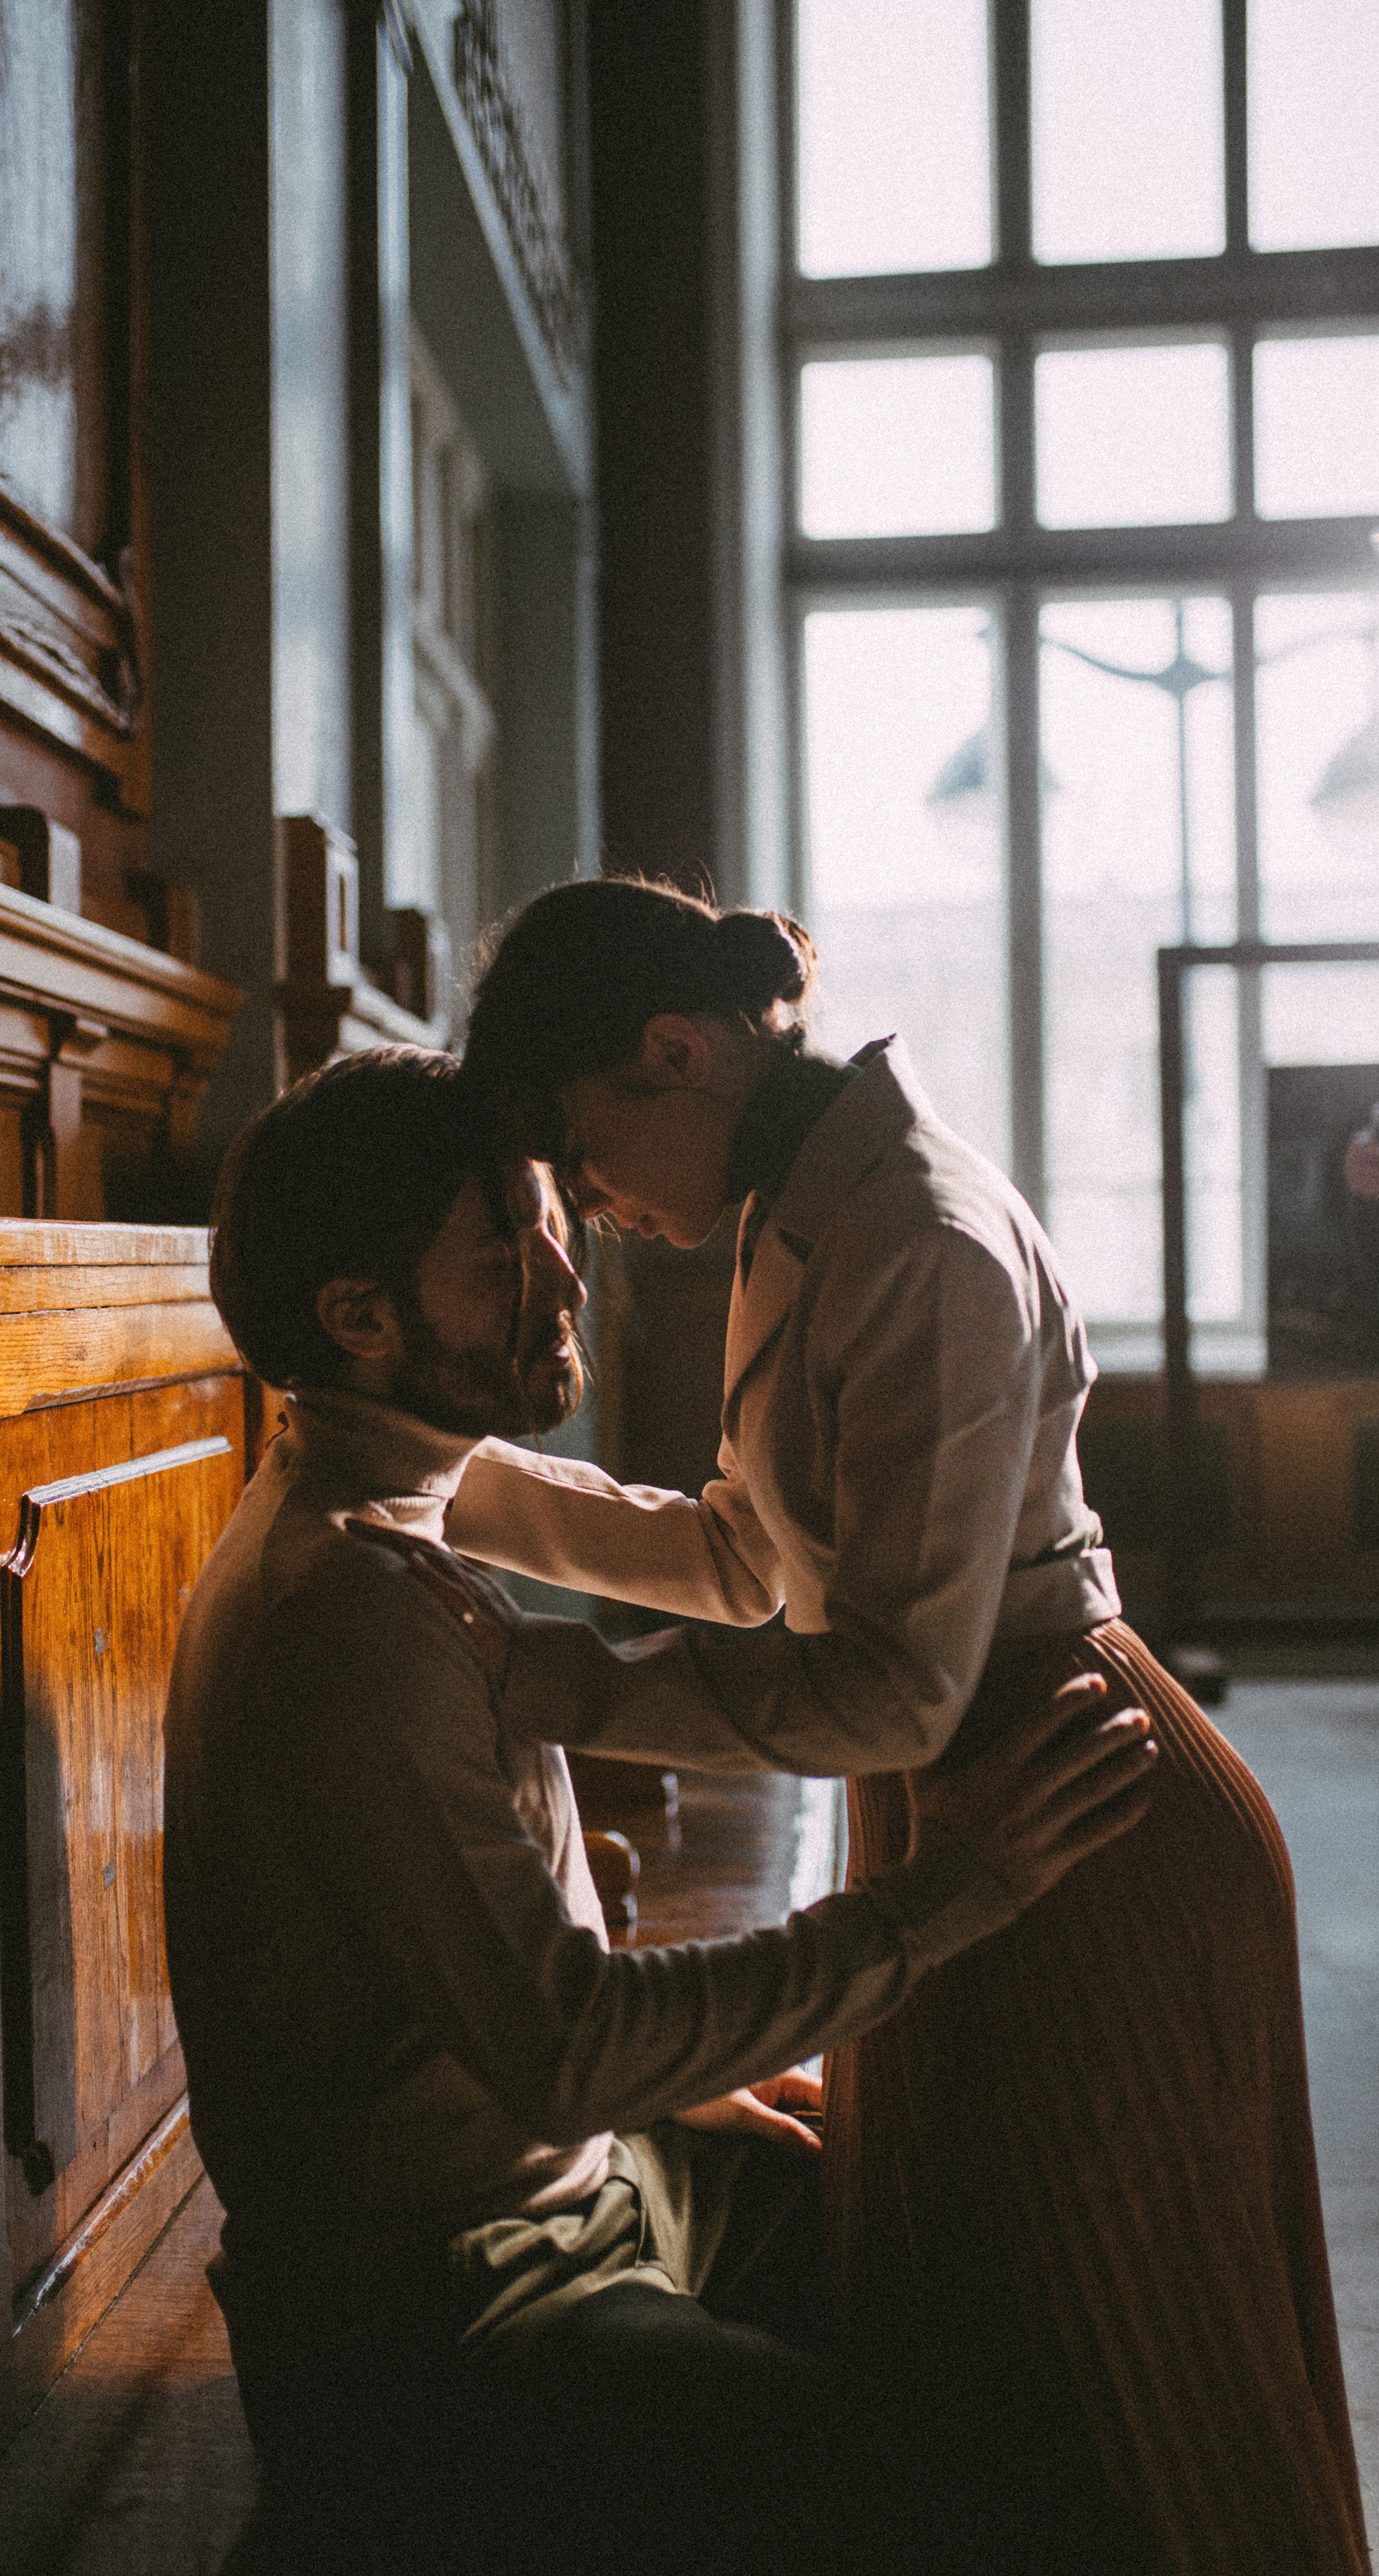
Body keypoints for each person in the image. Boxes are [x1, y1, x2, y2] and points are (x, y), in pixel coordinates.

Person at [451, 875, 1371, 2576]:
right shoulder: (805, 1203)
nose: (587, 1211)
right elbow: (748, 1553)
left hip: (1071, 1813)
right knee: (990, 2335)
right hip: (970, 1796)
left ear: (675, 1052)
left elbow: (894, 1686)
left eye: (580, 1153)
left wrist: (558, 1686)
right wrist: (469, 1489)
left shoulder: (914, 1235)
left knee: (1134, 2377)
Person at [162, 1046, 1156, 2576]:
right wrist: (949, 1889)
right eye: (502, 1249)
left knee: (986, 2262)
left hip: (577, 2187)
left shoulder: (393, 1484)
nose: (567, 1275)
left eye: (553, 1220)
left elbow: (718, 1568)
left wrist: (676, 2095)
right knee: (1009, 2512)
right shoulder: (351, 1612)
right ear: (359, 1318)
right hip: (446, 2313)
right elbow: (564, 2050)